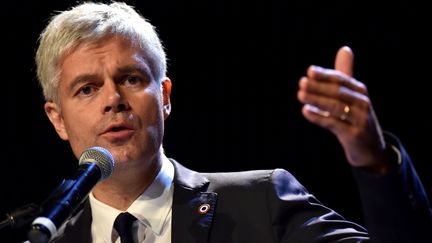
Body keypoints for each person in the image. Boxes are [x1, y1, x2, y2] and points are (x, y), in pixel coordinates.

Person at [29, 1, 431, 243]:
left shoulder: (262, 203)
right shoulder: (46, 236)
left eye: (131, 79)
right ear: (58, 119)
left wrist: (374, 160)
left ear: (165, 97)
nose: (113, 100)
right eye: (87, 89)